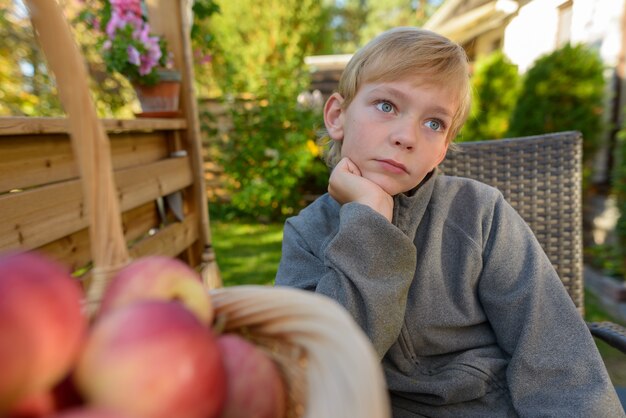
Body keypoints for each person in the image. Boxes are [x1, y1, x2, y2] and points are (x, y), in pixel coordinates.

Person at [274, 27, 625, 417]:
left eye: (434, 123)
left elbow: (552, 350)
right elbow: (320, 369)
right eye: (387, 105)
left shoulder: (480, 214)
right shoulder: (307, 235)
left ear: (443, 149)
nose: (406, 136)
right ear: (338, 115)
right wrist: (369, 218)